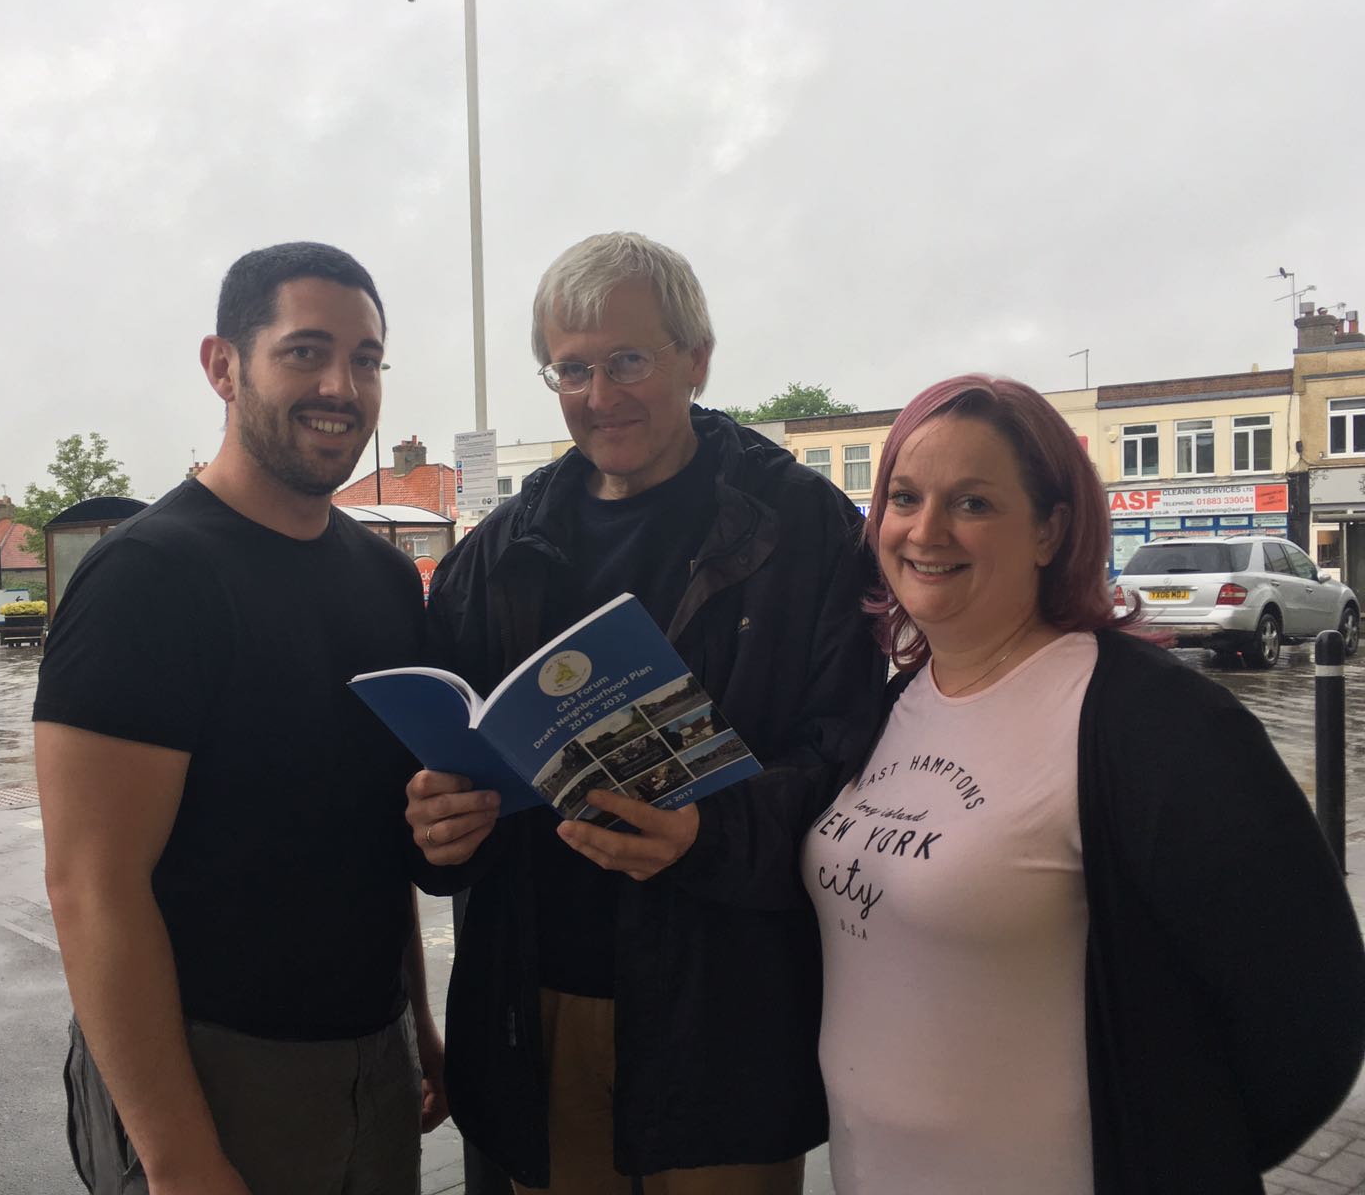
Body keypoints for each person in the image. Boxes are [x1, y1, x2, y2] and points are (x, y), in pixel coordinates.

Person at [801, 373, 1365, 1194]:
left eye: (974, 504)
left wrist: (1182, 1148)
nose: (925, 531)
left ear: (1051, 529)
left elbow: (1309, 1008)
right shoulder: (895, 702)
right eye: (904, 497)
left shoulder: (1152, 722)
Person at [406, 231, 887, 1193]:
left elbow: (856, 766)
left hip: (726, 1016)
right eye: (570, 369)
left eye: (628, 360)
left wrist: (704, 834)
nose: (599, 395)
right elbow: (445, 765)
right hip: (538, 1006)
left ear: (697, 358)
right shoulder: (498, 551)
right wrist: (433, 823)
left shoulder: (805, 531)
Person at [34, 242, 447, 1195]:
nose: (342, 385)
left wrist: (415, 1023)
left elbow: (370, 841)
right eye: (305, 351)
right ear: (223, 366)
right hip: (207, 1073)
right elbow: (92, 889)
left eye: (368, 358)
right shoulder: (149, 578)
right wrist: (178, 1158)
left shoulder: (386, 580)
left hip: (371, 1061)